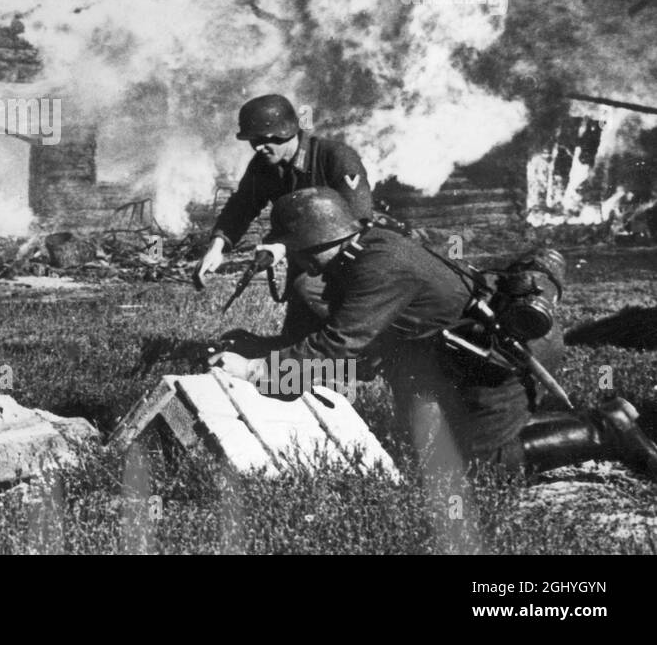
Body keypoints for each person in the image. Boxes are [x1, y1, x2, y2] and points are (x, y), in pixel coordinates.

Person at [216, 188, 657, 480]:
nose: (300, 265)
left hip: (501, 361)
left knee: (477, 468)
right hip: (468, 362)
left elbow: (337, 347)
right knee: (437, 451)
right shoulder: (367, 249)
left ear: (315, 241)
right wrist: (260, 348)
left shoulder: (377, 267)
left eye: (296, 252)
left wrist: (255, 370)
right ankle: (597, 419)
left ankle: (605, 430)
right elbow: (348, 346)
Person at [194, 94, 373, 344]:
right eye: (253, 141)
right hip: (306, 262)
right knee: (296, 343)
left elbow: (359, 220)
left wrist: (284, 246)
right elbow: (241, 206)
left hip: (353, 261)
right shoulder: (264, 166)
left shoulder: (335, 157)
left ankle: (362, 346)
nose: (257, 148)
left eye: (264, 141)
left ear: (286, 132)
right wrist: (217, 247)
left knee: (319, 311)